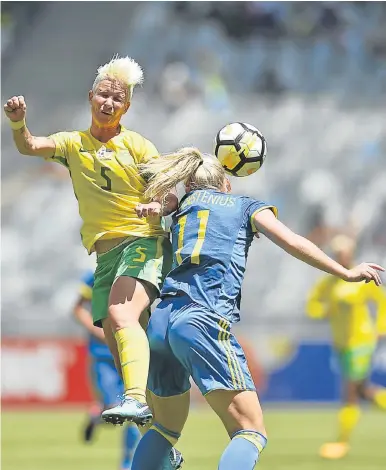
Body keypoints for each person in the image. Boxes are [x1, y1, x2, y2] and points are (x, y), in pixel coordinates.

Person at [126, 147, 384, 470]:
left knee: (164, 429)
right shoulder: (245, 206)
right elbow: (292, 241)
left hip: (161, 321)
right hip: (202, 318)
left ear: (189, 184)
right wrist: (345, 272)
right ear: (227, 184)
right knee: (250, 431)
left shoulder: (183, 207)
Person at [4, 56, 178, 426]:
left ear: (126, 107)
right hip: (105, 257)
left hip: (142, 242)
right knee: (117, 342)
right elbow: (30, 146)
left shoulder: (140, 147)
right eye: (103, 95)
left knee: (120, 315)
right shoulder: (72, 144)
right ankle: (160, 430)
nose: (109, 103)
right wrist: (18, 124)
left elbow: (171, 196)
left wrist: (156, 206)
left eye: (118, 99)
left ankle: (136, 400)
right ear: (90, 96)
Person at [306, 234, 386, 460]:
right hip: (341, 343)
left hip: (360, 341)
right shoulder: (329, 281)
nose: (341, 255)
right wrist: (323, 311)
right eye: (337, 252)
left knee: (349, 392)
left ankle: (341, 442)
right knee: (363, 391)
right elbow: (312, 305)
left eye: (344, 252)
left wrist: (381, 325)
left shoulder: (360, 278)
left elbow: (381, 302)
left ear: (350, 253)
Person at [73, 270, 140, 470]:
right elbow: (76, 309)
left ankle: (127, 464)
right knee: (113, 408)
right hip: (102, 355)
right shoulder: (95, 274)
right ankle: (96, 416)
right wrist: (96, 330)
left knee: (135, 410)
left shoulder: (135, 270)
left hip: (129, 353)